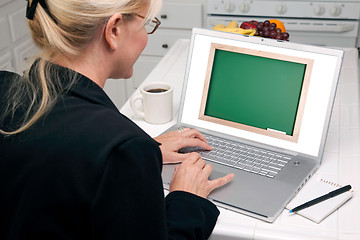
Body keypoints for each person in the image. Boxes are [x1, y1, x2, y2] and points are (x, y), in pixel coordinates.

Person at [0, 0, 234, 239]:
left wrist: (138, 155)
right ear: (114, 30)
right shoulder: (122, 147)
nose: (146, 37)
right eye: (146, 25)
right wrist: (187, 199)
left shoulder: (4, 87)